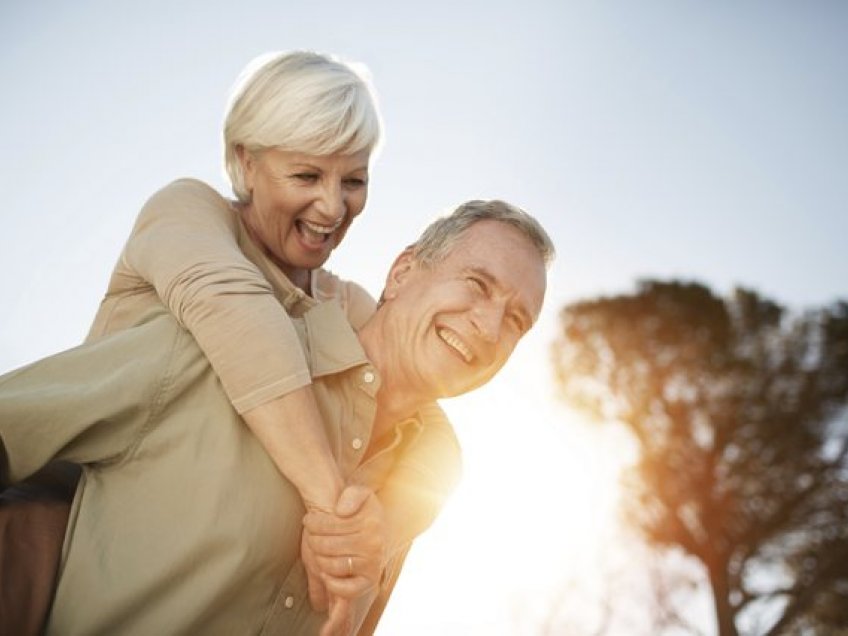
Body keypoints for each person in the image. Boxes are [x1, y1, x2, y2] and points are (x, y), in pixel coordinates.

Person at [4, 50, 460, 634]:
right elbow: (244, 320)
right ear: (246, 162)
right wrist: (332, 505)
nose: (333, 206)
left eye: (354, 180)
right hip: (61, 548)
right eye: (306, 175)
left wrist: (376, 532)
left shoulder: (343, 302)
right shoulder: (189, 214)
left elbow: (432, 426)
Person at [0, 200, 555, 635]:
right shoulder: (202, 353)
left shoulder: (415, 493)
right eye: (477, 285)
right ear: (404, 270)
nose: (488, 326)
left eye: (515, 320)